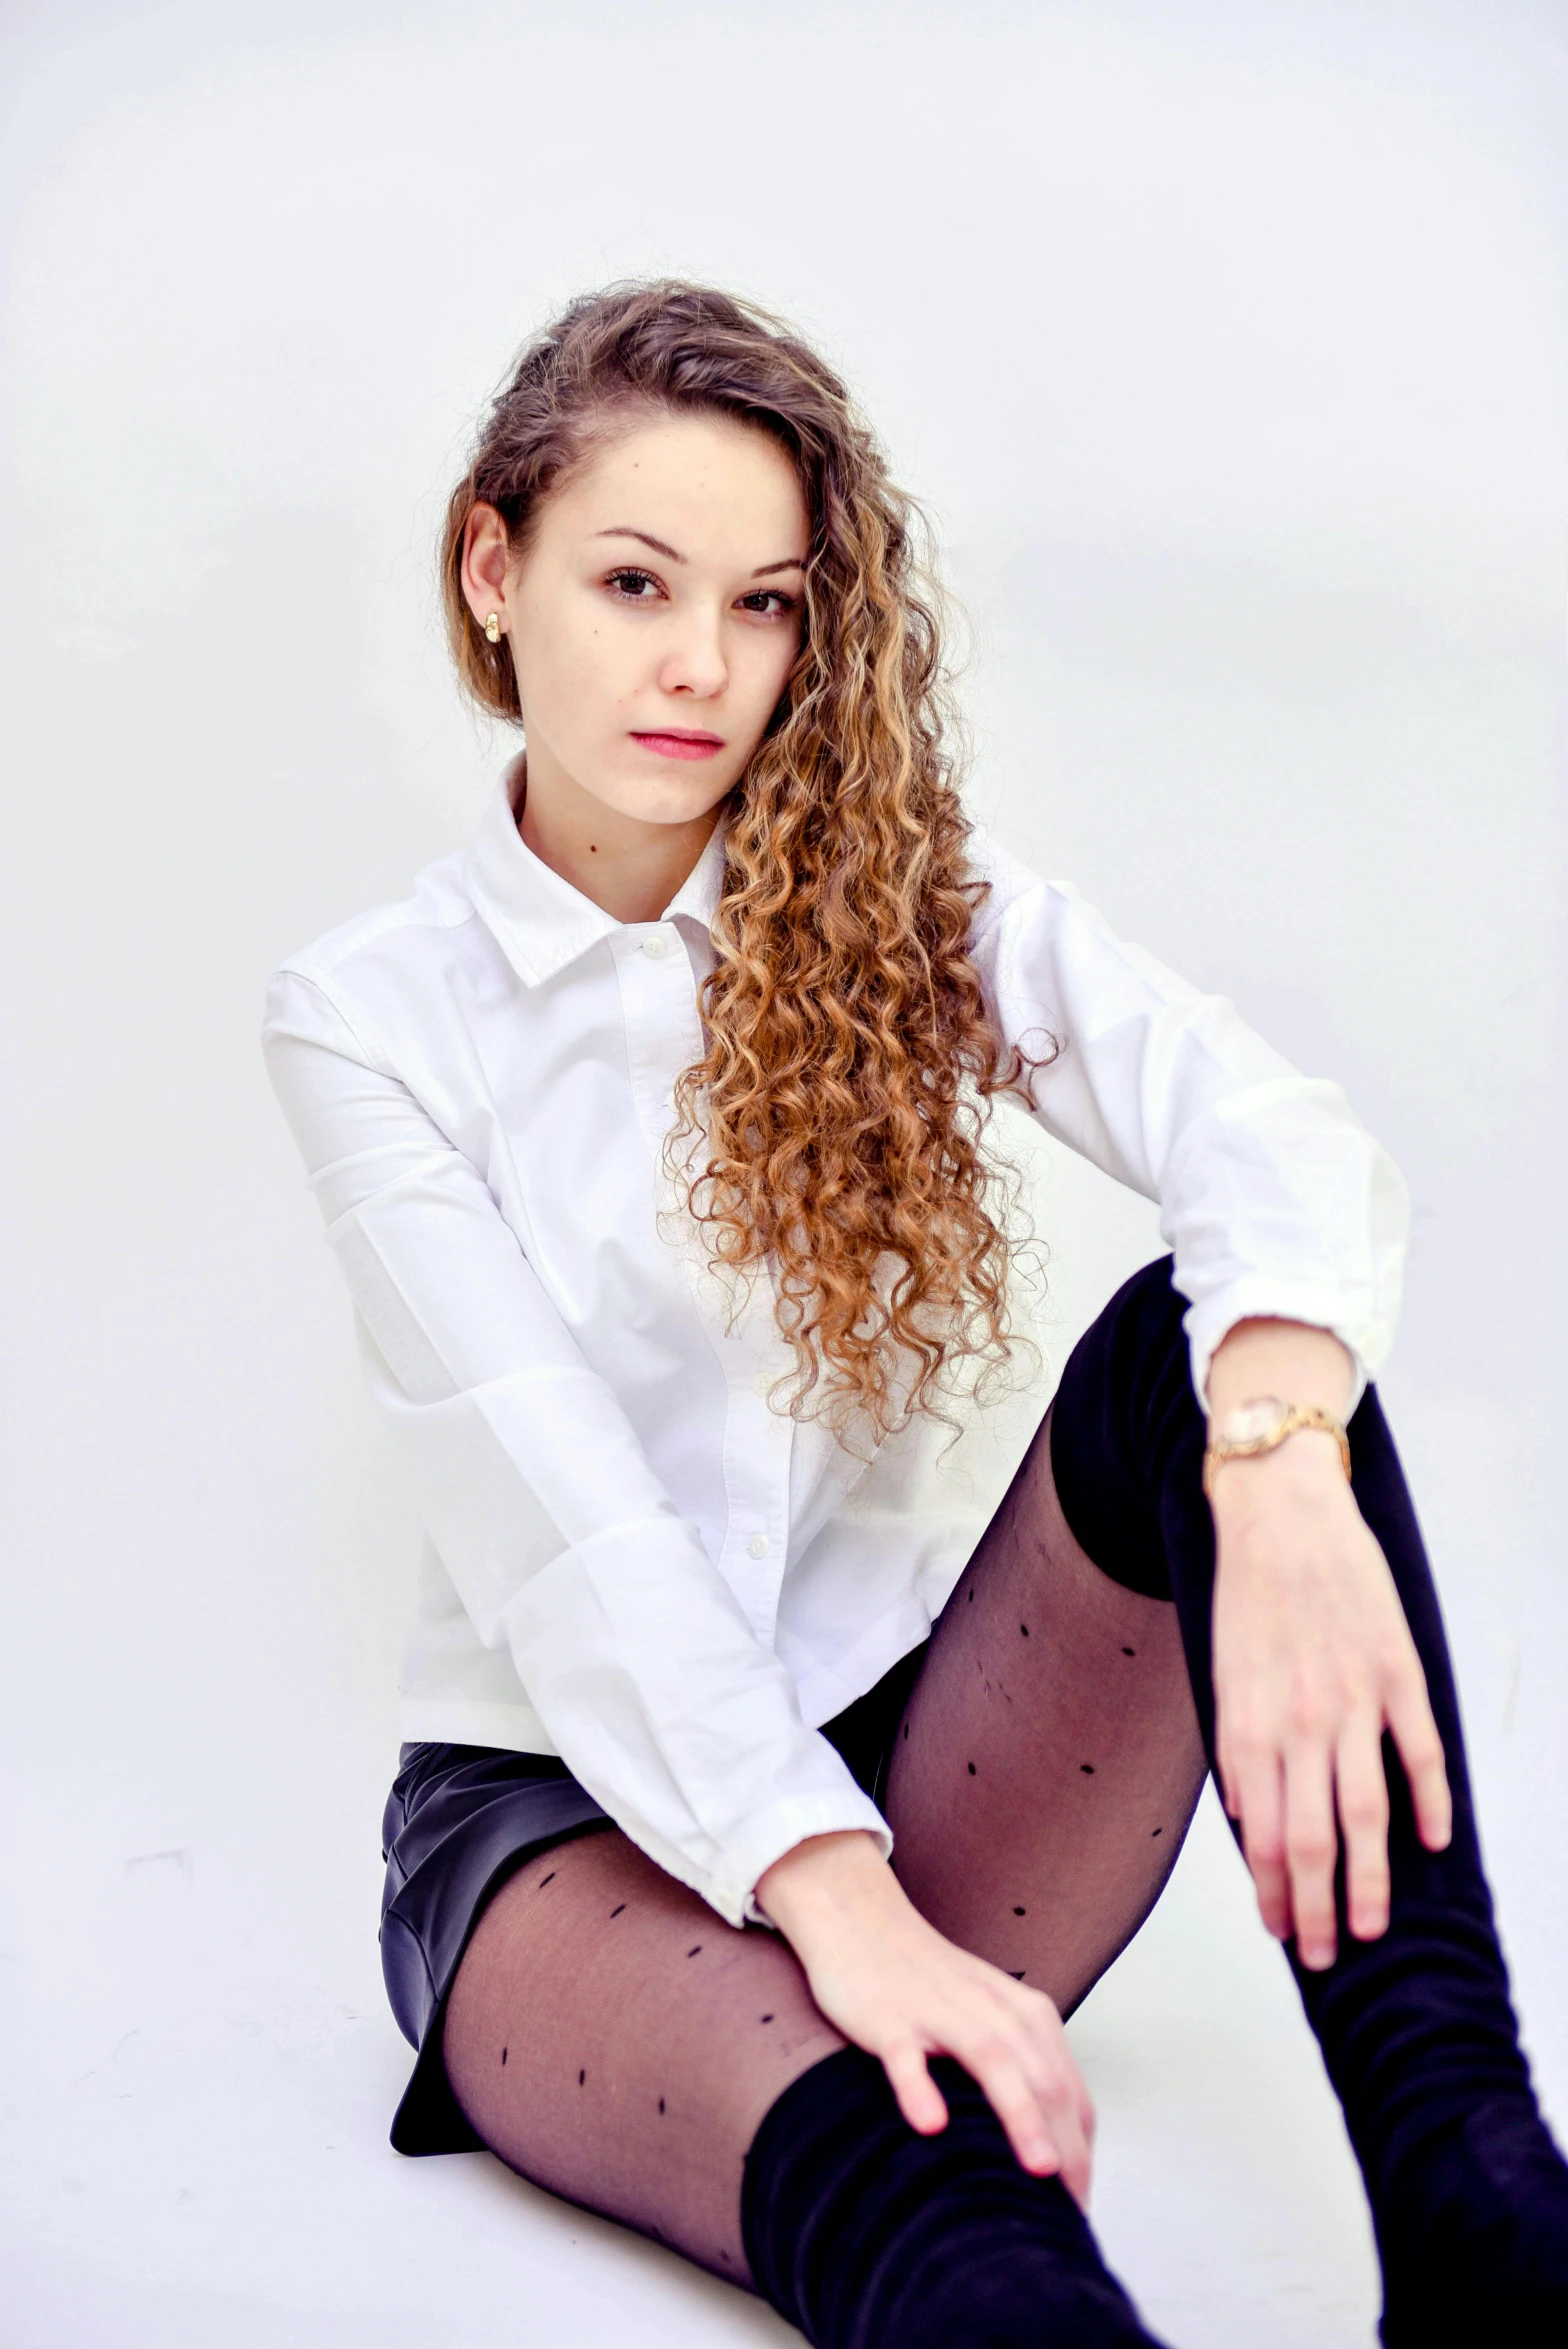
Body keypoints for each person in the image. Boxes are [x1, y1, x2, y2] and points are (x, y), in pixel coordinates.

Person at [261, 281, 1567, 2347]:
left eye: (767, 603)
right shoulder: (369, 1015)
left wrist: (1282, 1459)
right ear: (490, 570)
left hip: (910, 1760)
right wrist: (838, 1909)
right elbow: (574, 1528)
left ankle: (1490, 2228)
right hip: (562, 1828)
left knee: (1206, 1343)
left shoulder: (884, 905)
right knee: (948, 2205)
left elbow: (1251, 1122)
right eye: (632, 580)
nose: (703, 665)